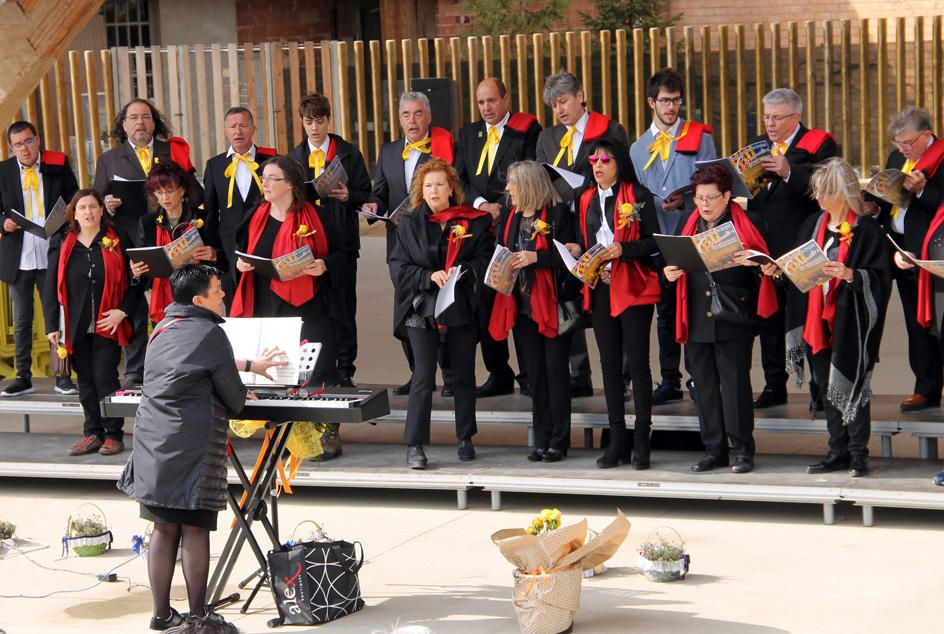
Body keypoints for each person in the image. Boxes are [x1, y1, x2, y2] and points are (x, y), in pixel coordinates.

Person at [117, 264, 285, 631]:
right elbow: (236, 400)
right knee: (194, 529)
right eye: (217, 290)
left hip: (152, 442)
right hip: (190, 447)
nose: (223, 294)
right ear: (199, 300)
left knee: (163, 528)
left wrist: (246, 365)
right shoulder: (210, 332)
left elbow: (191, 366)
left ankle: (162, 616)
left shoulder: (163, 327)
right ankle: (198, 616)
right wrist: (241, 386)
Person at [777, 158, 891, 477]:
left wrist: (850, 274)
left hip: (848, 320)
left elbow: (881, 277)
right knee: (827, 388)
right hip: (816, 319)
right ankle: (836, 449)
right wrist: (781, 268)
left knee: (852, 385)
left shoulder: (866, 229)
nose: (820, 198)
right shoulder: (813, 224)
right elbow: (798, 265)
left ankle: (858, 453)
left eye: (825, 192)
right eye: (817, 192)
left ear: (842, 193)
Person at [665, 163, 778, 473]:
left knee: (735, 385)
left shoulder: (748, 223)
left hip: (733, 315)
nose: (704, 205)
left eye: (711, 199)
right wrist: (669, 273)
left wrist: (757, 263)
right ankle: (714, 449)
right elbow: (672, 264)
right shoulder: (686, 225)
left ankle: (742, 449)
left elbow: (770, 272)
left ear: (727, 196)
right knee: (703, 386)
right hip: (696, 316)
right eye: (699, 199)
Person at [389, 159, 492, 469]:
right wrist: (428, 277)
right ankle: (415, 445)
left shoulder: (473, 222)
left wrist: (462, 272)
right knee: (422, 375)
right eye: (428, 185)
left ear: (452, 189)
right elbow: (398, 267)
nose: (433, 190)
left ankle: (465, 437)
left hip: (458, 303)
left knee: (462, 374)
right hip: (421, 307)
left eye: (439, 184)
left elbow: (486, 257)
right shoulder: (408, 223)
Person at [94, 98, 201, 388]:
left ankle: (184, 367)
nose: (140, 122)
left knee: (181, 304)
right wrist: (109, 205)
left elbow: (195, 191)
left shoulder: (173, 151)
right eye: (133, 117)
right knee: (136, 306)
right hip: (130, 239)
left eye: (145, 116)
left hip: (173, 236)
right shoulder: (109, 159)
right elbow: (96, 203)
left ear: (154, 122)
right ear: (124, 124)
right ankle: (135, 370)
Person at [536, 70, 629, 399]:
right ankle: (579, 373)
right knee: (568, 298)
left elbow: (620, 171)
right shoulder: (548, 138)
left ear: (580, 95)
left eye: (563, 102)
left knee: (613, 299)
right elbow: (541, 179)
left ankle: (624, 375)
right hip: (564, 226)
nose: (559, 110)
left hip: (602, 223)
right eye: (554, 105)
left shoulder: (609, 129)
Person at [569, 140, 660, 469]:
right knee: (608, 365)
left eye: (605, 159)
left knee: (636, 364)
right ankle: (617, 439)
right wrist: (576, 248)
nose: (598, 164)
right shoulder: (585, 198)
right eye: (594, 159)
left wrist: (626, 249)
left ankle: (642, 440)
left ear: (619, 163)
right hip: (602, 286)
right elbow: (586, 239)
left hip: (633, 284)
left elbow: (654, 242)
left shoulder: (638, 195)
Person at [747, 88, 838, 409]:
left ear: (796, 117)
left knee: (810, 318)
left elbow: (828, 186)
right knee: (769, 320)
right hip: (766, 250)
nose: (770, 124)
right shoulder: (757, 144)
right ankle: (775, 386)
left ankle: (819, 388)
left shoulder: (819, 143)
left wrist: (788, 172)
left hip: (805, 248)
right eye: (767, 116)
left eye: (777, 118)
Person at [630, 69, 716, 406]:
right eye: (665, 101)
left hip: (692, 232)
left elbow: (713, 179)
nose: (672, 108)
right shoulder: (638, 147)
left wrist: (690, 197)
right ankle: (669, 379)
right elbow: (635, 194)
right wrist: (654, 202)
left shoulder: (699, 136)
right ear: (652, 102)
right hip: (659, 237)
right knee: (666, 311)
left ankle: (699, 378)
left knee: (695, 307)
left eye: (677, 101)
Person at [363, 91, 455, 396]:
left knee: (439, 310)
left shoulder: (442, 148)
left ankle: (450, 377)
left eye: (418, 114)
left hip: (437, 243)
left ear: (428, 117)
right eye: (406, 115)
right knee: (407, 310)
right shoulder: (388, 151)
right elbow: (380, 191)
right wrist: (374, 206)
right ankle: (420, 375)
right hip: (400, 246)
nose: (412, 120)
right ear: (399, 119)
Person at [455, 77, 542, 398]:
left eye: (492, 101)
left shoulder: (526, 130)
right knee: (485, 304)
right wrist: (480, 204)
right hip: (479, 232)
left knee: (520, 303)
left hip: (516, 228)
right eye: (481, 102)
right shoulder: (468, 134)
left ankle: (531, 374)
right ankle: (498, 372)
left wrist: (502, 207)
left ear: (506, 99)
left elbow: (531, 174)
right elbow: (458, 178)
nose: (487, 108)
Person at [231, 155, 347, 387]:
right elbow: (239, 252)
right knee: (274, 381)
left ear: (290, 184)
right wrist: (239, 265)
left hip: (310, 311)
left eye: (272, 178)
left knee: (316, 380)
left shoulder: (318, 216)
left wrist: (324, 265)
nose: (264, 183)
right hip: (267, 312)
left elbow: (343, 255)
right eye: (263, 178)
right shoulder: (254, 215)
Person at [43, 189, 142, 456]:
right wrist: (52, 324)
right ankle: (92, 434)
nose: (88, 212)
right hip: (74, 325)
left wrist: (123, 311)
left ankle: (113, 434)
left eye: (93, 207)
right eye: (82, 208)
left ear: (101, 210)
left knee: (105, 377)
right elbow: (50, 285)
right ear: (74, 213)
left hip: (107, 323)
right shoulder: (62, 241)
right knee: (85, 380)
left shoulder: (117, 238)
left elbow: (136, 281)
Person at [488, 161, 575, 462]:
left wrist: (536, 256)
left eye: (512, 182)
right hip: (522, 307)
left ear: (528, 185)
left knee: (555, 372)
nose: (507, 189)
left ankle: (559, 439)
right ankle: (541, 436)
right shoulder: (510, 217)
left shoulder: (559, 214)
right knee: (534, 374)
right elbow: (501, 250)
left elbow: (568, 259)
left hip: (550, 304)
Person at [289, 93, 372, 387]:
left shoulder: (348, 153)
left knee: (344, 308)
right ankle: (315, 370)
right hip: (306, 246)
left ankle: (345, 369)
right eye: (309, 121)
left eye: (320, 121)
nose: (315, 128)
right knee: (309, 309)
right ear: (302, 122)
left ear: (328, 120)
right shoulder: (294, 158)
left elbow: (367, 194)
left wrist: (350, 196)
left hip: (342, 243)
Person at [869, 106, 944, 413]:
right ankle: (925, 388)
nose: (902, 149)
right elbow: (890, 199)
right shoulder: (897, 159)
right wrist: (874, 205)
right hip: (897, 247)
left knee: (937, 323)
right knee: (915, 321)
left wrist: (925, 191)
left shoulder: (940, 158)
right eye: (897, 143)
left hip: (932, 251)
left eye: (908, 143)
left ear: (926, 135)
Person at [0, 120, 79, 397]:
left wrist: (67, 213)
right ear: (11, 147)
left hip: (52, 253)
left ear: (37, 140)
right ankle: (23, 376)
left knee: (55, 317)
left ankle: (62, 375)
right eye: (18, 144)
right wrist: (4, 223)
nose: (25, 148)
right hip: (19, 257)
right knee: (22, 321)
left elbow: (74, 198)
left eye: (29, 141)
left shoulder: (57, 164)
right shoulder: (3, 171)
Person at [132, 162, 223, 323]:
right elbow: (142, 264)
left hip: (200, 292)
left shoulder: (203, 218)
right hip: (163, 296)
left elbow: (225, 261)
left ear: (182, 190)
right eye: (159, 192)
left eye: (169, 191)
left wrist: (214, 255)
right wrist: (136, 271)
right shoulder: (148, 223)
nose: (165, 197)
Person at [203, 107, 276, 305]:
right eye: (232, 126)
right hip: (229, 251)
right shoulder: (214, 165)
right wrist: (216, 252)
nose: (238, 131)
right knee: (236, 307)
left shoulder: (270, 161)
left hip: (265, 244)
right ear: (226, 131)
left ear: (253, 129)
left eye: (243, 125)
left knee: (268, 304)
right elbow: (210, 213)